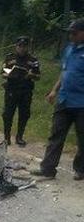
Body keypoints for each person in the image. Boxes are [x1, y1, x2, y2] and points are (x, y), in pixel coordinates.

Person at [31, 19, 84, 181]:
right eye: (70, 33)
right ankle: (48, 169)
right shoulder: (69, 49)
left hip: (82, 103)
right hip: (64, 100)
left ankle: (80, 169)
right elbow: (64, 72)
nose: (71, 36)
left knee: (82, 138)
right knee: (56, 135)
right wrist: (54, 90)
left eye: (74, 33)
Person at [1, 36, 40, 146]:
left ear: (27, 47)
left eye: (24, 46)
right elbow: (3, 73)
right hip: (12, 89)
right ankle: (6, 137)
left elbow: (38, 76)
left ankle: (19, 137)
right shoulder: (10, 58)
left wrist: (31, 74)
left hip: (26, 90)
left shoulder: (33, 60)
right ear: (16, 46)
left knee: (24, 114)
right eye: (20, 46)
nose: (22, 48)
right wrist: (9, 74)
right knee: (8, 114)